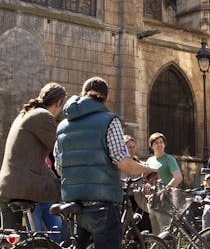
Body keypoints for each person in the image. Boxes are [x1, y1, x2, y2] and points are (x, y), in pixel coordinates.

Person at [55, 77, 159, 249]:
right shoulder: (109, 120)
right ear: (105, 97)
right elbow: (123, 162)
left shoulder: (63, 126)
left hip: (73, 205)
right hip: (102, 205)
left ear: (82, 94)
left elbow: (59, 169)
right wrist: (147, 169)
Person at [0, 83, 67, 236]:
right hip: (23, 188)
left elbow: (33, 161)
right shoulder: (44, 116)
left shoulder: (25, 114)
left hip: (6, 187)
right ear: (59, 102)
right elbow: (61, 149)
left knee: (10, 239)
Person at [146, 132, 183, 233]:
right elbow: (147, 180)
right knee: (155, 234)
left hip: (166, 200)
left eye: (161, 142)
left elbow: (178, 178)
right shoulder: (149, 160)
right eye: (156, 143)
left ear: (164, 144)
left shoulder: (169, 159)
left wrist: (164, 190)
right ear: (151, 146)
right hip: (152, 200)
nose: (159, 145)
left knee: (165, 234)